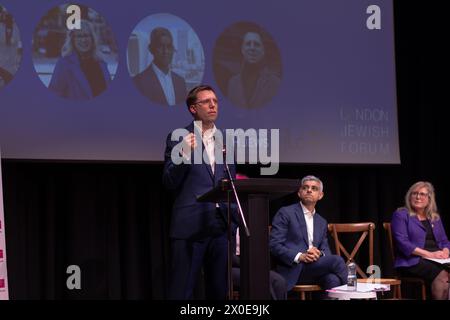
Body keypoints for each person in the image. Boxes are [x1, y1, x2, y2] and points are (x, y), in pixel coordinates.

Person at [163, 84, 235, 300]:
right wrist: (184, 153)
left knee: (218, 291)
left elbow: (228, 183)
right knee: (182, 291)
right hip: (190, 226)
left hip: (220, 225)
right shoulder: (179, 137)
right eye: (206, 101)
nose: (213, 105)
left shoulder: (225, 140)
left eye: (215, 101)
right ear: (193, 108)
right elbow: (168, 181)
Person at [270, 175, 347, 296]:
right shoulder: (285, 213)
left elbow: (325, 250)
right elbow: (274, 245)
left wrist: (319, 253)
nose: (309, 190)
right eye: (305, 187)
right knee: (337, 261)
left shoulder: (321, 221)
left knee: (333, 279)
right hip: (293, 269)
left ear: (320, 195)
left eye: (314, 188)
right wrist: (300, 256)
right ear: (299, 193)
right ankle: (355, 293)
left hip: (314, 269)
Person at [391, 181, 450, 300]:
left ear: (429, 198)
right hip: (412, 260)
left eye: (422, 194)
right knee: (443, 275)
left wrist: (445, 251)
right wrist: (429, 254)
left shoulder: (434, 217)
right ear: (409, 196)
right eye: (415, 193)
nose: (418, 197)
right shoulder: (401, 215)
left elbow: (444, 240)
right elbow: (403, 243)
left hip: (436, 258)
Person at [48, 20, 111, 100]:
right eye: (79, 36)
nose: (83, 40)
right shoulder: (65, 64)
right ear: (72, 39)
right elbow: (55, 94)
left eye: (86, 35)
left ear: (92, 38)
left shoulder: (101, 62)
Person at [133, 27, 187, 106]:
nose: (166, 51)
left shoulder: (180, 82)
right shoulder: (138, 82)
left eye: (169, 47)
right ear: (151, 49)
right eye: (160, 46)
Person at [227, 30, 280, 108]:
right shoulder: (232, 83)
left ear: (263, 51)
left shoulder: (275, 83)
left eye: (257, 44)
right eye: (248, 44)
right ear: (242, 50)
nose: (252, 48)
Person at [232, 227, 287, 300]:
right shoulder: (228, 225)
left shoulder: (252, 224)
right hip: (231, 266)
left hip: (252, 263)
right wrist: (247, 263)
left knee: (279, 281)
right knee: (260, 279)